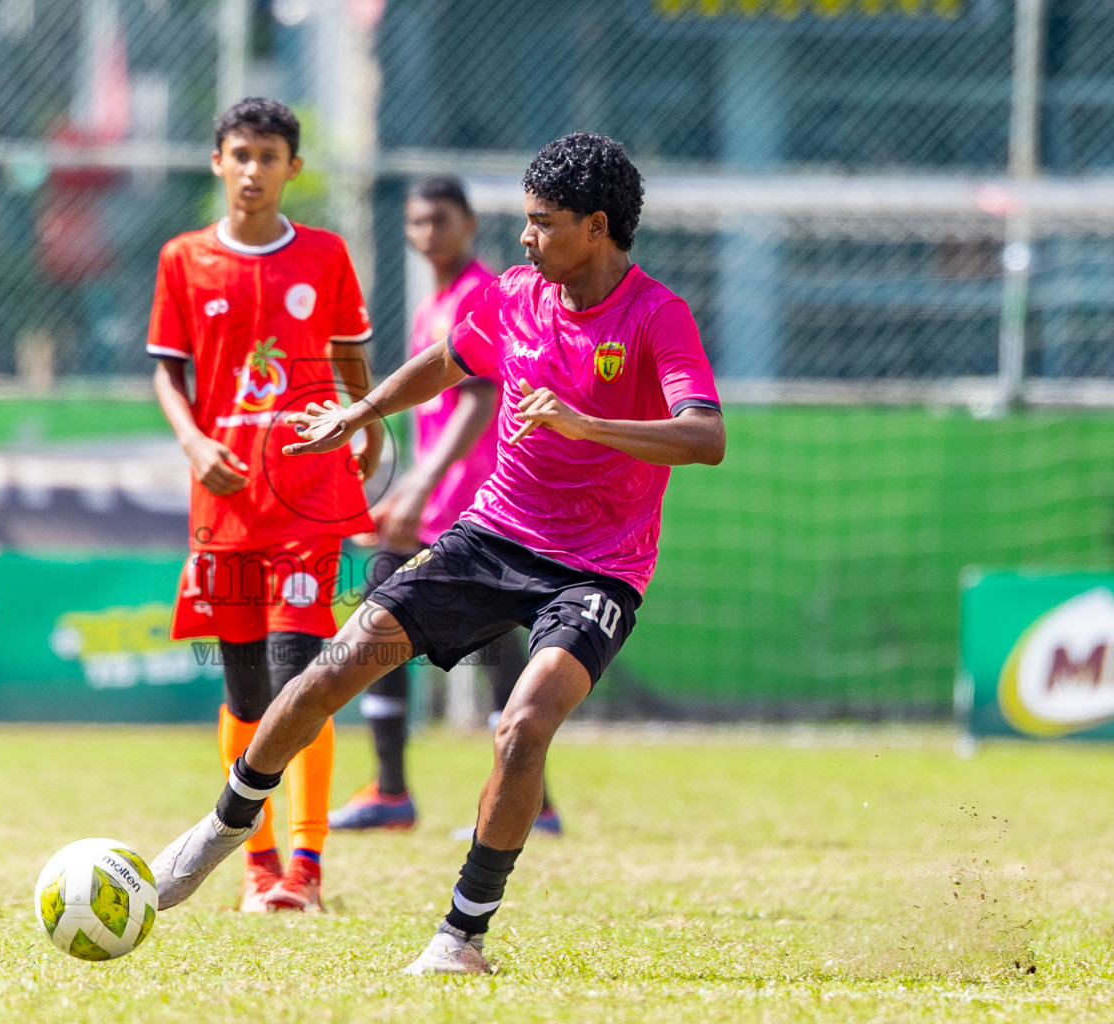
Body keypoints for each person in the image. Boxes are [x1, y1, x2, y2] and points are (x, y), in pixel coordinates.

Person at [149, 131, 725, 974]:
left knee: (522, 727)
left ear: (597, 227)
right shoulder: (515, 294)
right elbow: (449, 361)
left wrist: (585, 423)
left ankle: (462, 937)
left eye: (543, 223)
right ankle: (220, 831)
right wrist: (359, 412)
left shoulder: (655, 315)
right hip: (490, 538)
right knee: (330, 669)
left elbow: (705, 436)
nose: (524, 239)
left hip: (597, 566)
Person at [146, 96, 382, 913]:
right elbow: (167, 374)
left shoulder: (324, 256)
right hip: (226, 507)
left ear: (294, 167)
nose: (253, 170)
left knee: (303, 681)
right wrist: (194, 442)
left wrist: (368, 421)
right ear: (218, 162)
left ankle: (306, 872)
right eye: (240, 154)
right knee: (246, 697)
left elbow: (352, 358)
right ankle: (257, 866)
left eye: (268, 156)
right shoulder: (183, 259)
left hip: (309, 500)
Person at [328, 176, 559, 836]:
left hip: (475, 493)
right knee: (487, 636)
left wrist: (421, 485)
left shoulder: (485, 293)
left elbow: (480, 400)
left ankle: (403, 792)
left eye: (440, 220)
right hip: (448, 490)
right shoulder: (439, 301)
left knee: (387, 609)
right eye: (416, 221)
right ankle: (509, 799)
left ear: (468, 225)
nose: (426, 232)